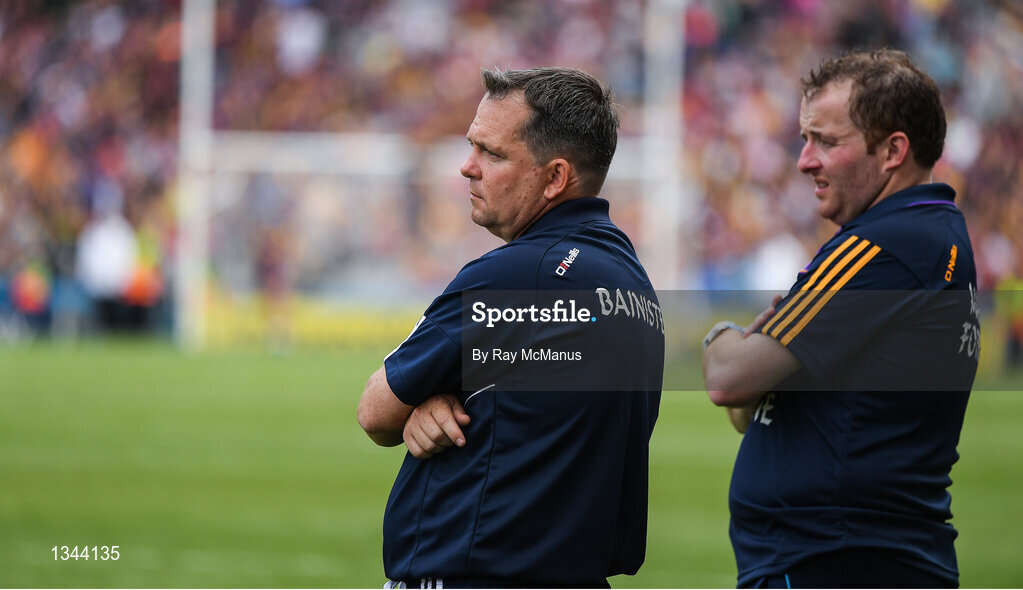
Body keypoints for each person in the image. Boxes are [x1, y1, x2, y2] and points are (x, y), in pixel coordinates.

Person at [357, 67, 663, 588]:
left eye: (491, 154)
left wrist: (419, 399)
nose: (466, 167)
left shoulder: (520, 273)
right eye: (472, 146)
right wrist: (444, 395)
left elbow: (377, 411)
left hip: (477, 573)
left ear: (554, 178)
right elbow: (541, 381)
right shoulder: (634, 287)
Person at [701, 49, 980, 588]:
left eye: (826, 141)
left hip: (830, 560)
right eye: (806, 139)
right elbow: (752, 404)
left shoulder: (884, 246)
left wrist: (722, 335)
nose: (805, 160)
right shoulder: (926, 236)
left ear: (893, 150)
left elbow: (728, 381)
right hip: (860, 557)